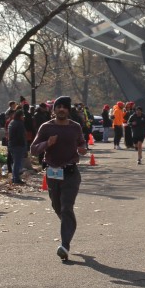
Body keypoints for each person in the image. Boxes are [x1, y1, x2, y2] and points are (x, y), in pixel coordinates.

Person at [30, 96, 87, 262]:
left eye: (64, 107)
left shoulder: (75, 127)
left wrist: (82, 148)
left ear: (68, 110)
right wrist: (47, 144)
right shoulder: (46, 127)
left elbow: (82, 143)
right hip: (53, 173)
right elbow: (33, 149)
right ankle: (68, 224)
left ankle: (64, 245)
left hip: (70, 173)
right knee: (57, 206)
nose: (61, 109)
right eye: (58, 107)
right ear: (53, 110)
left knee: (66, 207)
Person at [7, 109, 28, 184]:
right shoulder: (19, 124)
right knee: (17, 163)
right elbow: (20, 136)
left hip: (11, 144)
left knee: (15, 162)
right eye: (23, 115)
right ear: (20, 116)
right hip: (18, 145)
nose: (23, 117)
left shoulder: (12, 122)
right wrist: (24, 145)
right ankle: (16, 179)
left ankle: (14, 178)